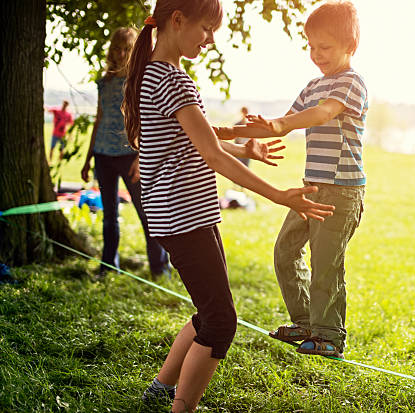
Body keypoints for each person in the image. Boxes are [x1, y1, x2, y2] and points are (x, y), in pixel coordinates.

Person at [121, 2, 335, 411]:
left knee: (210, 311)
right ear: (178, 19)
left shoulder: (152, 72)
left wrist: (243, 141)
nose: (211, 39)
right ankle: (181, 406)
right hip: (184, 218)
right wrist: (278, 195)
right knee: (221, 323)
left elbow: (198, 135)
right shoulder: (173, 81)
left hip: (178, 215)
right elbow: (213, 155)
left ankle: (162, 389)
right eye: (206, 28)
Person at [217, 0, 367, 360]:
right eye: (311, 46)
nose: (316, 54)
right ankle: (305, 323)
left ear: (350, 45)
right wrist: (226, 131)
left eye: (325, 47)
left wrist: (283, 125)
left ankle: (330, 336)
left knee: (325, 262)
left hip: (341, 191)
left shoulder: (351, 83)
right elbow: (280, 122)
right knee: (285, 252)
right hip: (311, 187)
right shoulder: (312, 84)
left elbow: (321, 114)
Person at [80, 27, 170, 280]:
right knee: (109, 216)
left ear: (133, 51)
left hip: (131, 156)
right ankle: (108, 266)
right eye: (116, 49)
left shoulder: (140, 80)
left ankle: (160, 267)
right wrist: (88, 158)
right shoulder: (104, 83)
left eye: (125, 49)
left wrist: (142, 157)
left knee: (147, 214)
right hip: (103, 156)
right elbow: (99, 119)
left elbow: (148, 121)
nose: (120, 54)